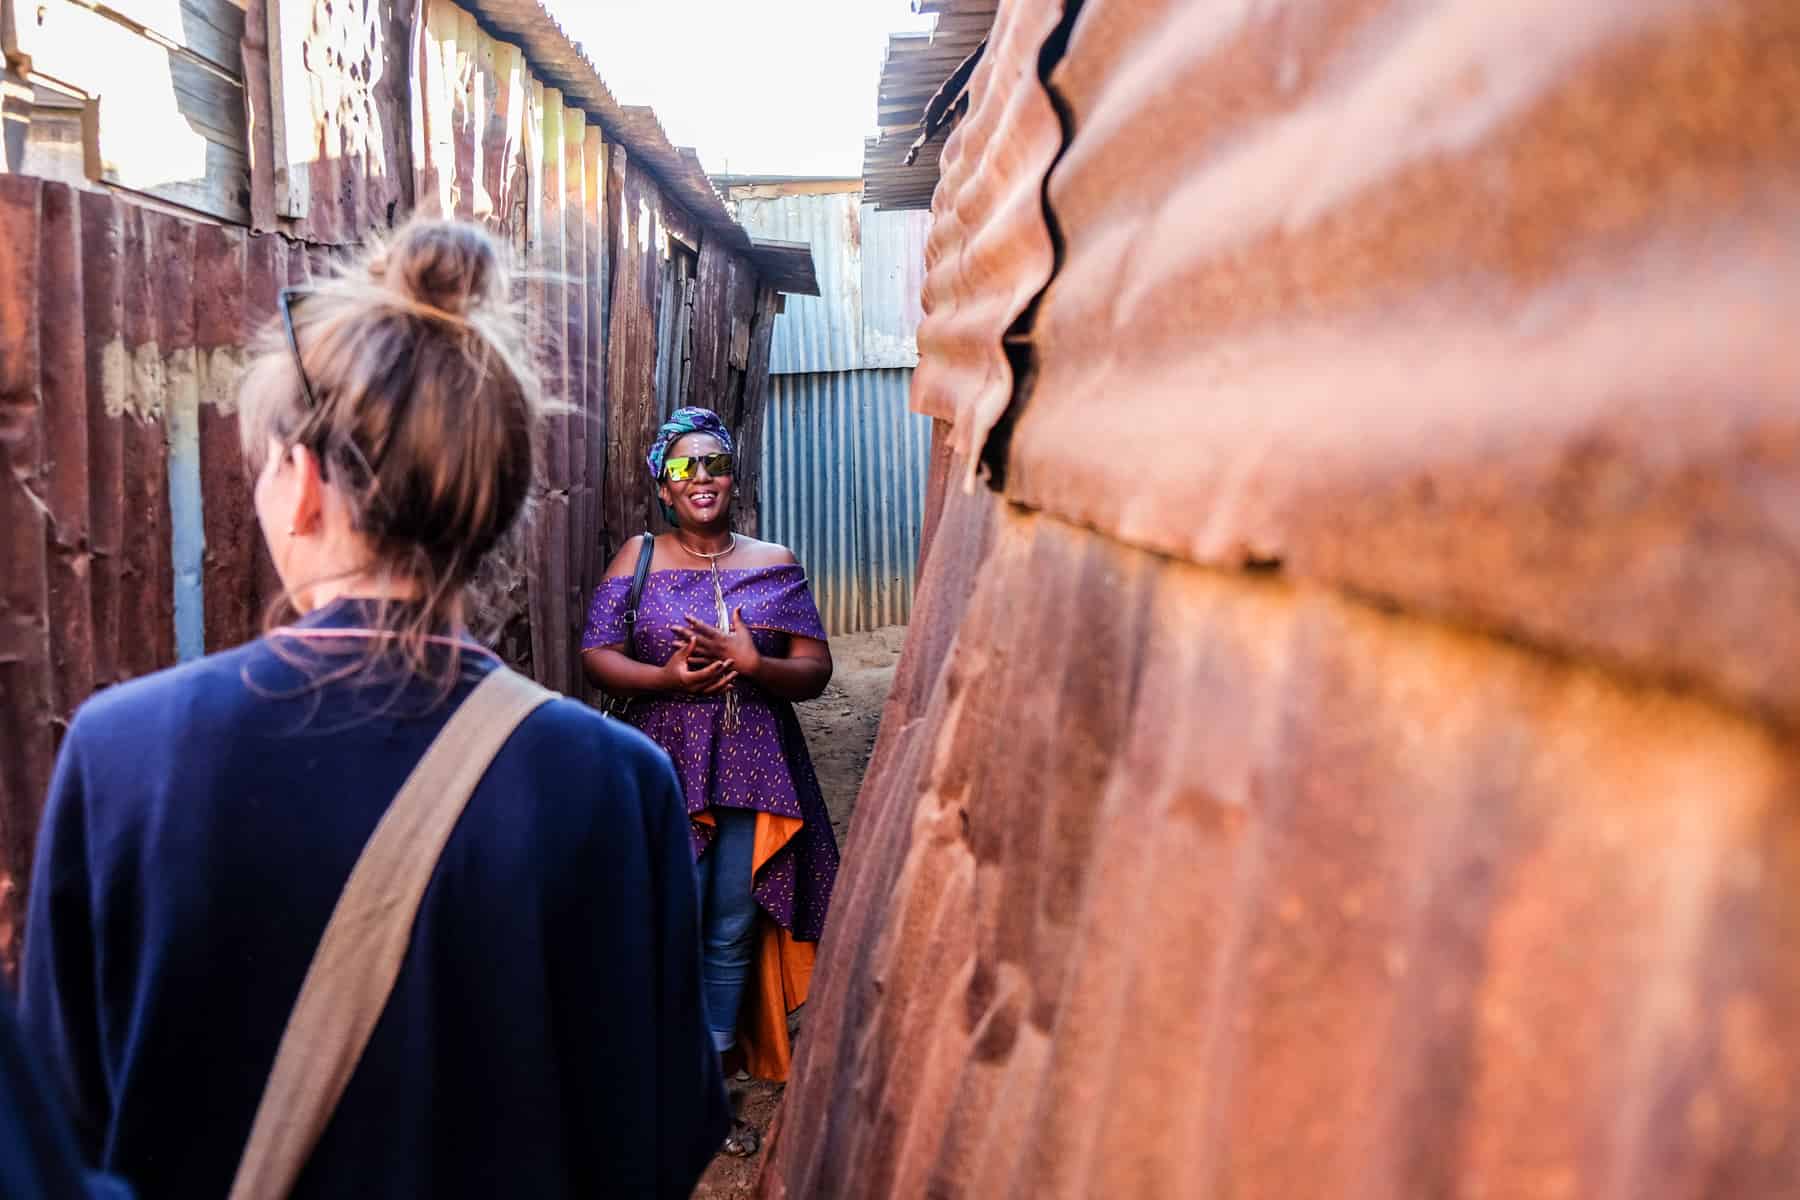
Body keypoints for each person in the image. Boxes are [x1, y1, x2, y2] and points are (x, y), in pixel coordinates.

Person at [19, 220, 727, 1198]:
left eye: (265, 463)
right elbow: (661, 1134)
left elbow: (54, 1136)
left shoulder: (125, 753)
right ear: (494, 503)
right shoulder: (615, 782)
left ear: (302, 484)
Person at [581, 407, 840, 1155]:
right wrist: (663, 676)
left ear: (734, 476)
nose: (703, 479)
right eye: (685, 468)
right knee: (665, 921)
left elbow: (815, 670)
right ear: (664, 485)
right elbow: (597, 653)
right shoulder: (638, 558)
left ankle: (710, 1086)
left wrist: (756, 664)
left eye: (716, 464)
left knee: (729, 929)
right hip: (661, 765)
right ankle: (649, 1083)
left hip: (754, 766)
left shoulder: (773, 560)